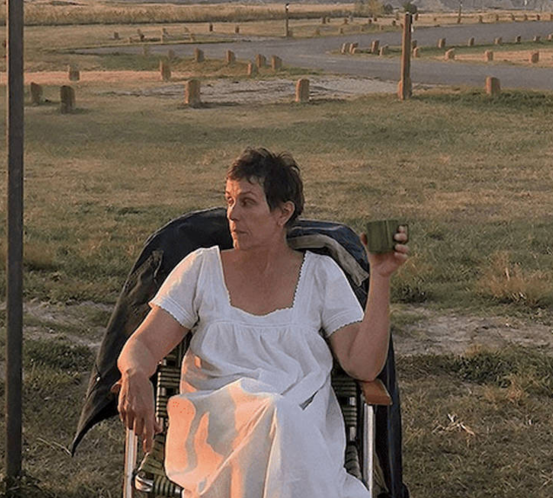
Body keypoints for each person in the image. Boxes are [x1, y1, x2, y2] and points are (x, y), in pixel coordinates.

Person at [116, 148, 409, 498]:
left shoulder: (321, 275)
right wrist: (134, 374)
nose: (232, 214)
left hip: (301, 429)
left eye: (247, 202)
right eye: (229, 200)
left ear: (283, 212)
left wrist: (381, 277)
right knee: (274, 413)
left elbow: (362, 364)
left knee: (279, 417)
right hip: (217, 429)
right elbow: (143, 344)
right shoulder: (201, 269)